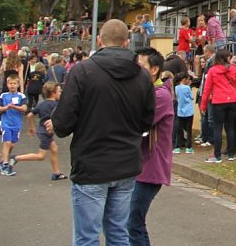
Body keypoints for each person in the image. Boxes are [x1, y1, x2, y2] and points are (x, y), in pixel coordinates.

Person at [47, 19, 156, 246]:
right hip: (126, 163)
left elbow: (63, 123)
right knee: (118, 233)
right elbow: (147, 122)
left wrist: (59, 121)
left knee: (87, 237)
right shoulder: (143, 76)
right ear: (127, 43)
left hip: (92, 163)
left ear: (99, 40)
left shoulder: (82, 71)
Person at [129, 47, 174, 246]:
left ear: (154, 69)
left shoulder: (160, 96)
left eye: (141, 66)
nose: (136, 70)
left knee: (133, 222)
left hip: (150, 168)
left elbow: (132, 121)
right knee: (128, 222)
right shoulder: (147, 92)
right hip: (138, 166)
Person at [12, 81, 66, 180]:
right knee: (41, 156)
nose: (60, 93)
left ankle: (56, 173)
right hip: (46, 132)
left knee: (54, 149)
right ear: (53, 93)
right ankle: (16, 158)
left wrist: (31, 128)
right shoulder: (56, 105)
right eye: (59, 91)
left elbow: (29, 115)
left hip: (41, 131)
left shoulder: (42, 104)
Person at [200, 48, 236, 163]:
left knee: (217, 128)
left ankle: (217, 155)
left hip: (219, 101)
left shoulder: (213, 70)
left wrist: (203, 106)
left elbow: (207, 90)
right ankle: (231, 154)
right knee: (230, 127)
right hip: (233, 100)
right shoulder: (233, 69)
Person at [0, 74, 27, 176]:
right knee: (7, 143)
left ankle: (3, 160)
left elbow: (24, 108)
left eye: (14, 83)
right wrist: (7, 107)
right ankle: (5, 164)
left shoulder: (21, 96)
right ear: (7, 84)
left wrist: (15, 107)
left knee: (12, 144)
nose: (12, 85)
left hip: (16, 124)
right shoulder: (3, 95)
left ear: (18, 84)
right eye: (10, 83)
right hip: (6, 123)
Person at [173, 74, 195, 154]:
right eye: (187, 79)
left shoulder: (176, 88)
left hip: (180, 111)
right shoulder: (187, 87)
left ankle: (177, 147)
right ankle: (188, 147)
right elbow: (191, 97)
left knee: (179, 129)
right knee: (188, 130)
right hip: (189, 110)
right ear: (184, 79)